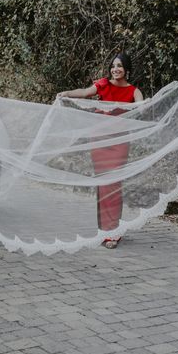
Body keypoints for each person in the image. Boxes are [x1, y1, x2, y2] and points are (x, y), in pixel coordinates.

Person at [58, 53, 143, 248]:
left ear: (126, 69)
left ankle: (114, 232)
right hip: (99, 140)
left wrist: (145, 104)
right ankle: (105, 230)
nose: (115, 69)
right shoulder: (104, 84)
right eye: (113, 66)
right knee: (103, 184)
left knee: (114, 184)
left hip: (119, 142)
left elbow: (143, 104)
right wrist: (67, 93)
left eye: (120, 66)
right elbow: (85, 92)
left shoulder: (133, 91)